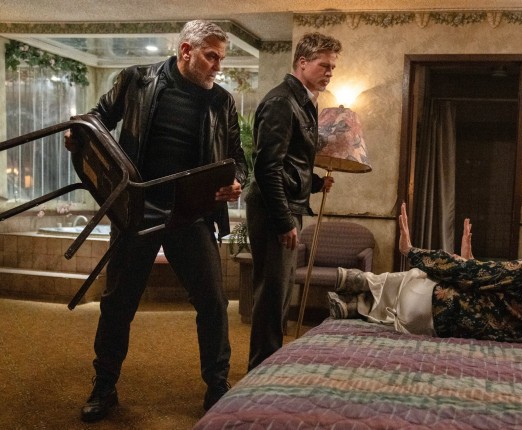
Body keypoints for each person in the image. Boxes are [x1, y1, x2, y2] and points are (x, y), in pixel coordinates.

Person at [65, 20, 248, 422]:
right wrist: (79, 133)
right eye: (211, 56)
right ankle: (104, 386)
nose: (218, 66)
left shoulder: (222, 102)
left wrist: (236, 181)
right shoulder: (136, 80)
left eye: (221, 58)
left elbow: (239, 159)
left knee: (214, 303)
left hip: (191, 213)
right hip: (137, 209)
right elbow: (98, 118)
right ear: (186, 51)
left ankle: (217, 385)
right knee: (118, 303)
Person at [328, 202, 522, 343]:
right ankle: (355, 307)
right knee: (445, 279)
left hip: (430, 306)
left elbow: (469, 273)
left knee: (427, 275)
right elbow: (500, 306)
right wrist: (471, 261)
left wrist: (411, 251)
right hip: (434, 327)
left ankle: (359, 281)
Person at [245, 32, 341, 370]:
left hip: (286, 205)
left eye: (332, 67)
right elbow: (267, 168)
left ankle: (269, 366)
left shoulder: (303, 102)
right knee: (272, 295)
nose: (329, 72)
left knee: (280, 293)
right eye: (324, 65)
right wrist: (284, 220)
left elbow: (289, 162)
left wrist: (314, 183)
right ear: (302, 62)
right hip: (274, 209)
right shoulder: (282, 102)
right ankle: (261, 370)